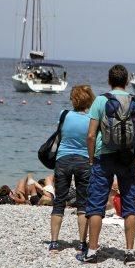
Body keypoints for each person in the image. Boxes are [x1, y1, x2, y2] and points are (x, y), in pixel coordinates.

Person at [82, 64, 135, 265]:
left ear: (109, 80)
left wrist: (92, 158)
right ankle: (129, 252)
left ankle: (92, 251)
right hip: (128, 158)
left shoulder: (100, 101)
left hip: (104, 157)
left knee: (96, 204)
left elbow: (91, 135)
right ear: (127, 81)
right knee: (130, 205)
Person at [49, 85, 95, 254]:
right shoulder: (92, 118)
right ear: (89, 99)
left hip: (63, 159)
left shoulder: (64, 114)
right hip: (84, 160)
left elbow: (59, 134)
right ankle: (82, 243)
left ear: (73, 99)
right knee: (83, 203)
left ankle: (54, 242)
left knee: (59, 200)